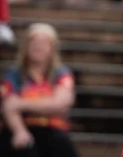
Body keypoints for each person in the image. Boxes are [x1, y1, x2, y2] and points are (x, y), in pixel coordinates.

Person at [0, 23, 78, 157]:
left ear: (52, 48)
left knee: (60, 145)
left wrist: (20, 103)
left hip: (53, 131)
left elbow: (60, 103)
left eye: (43, 42)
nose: (38, 46)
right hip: (20, 129)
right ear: (26, 46)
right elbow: (8, 107)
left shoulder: (61, 74)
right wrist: (20, 131)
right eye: (33, 41)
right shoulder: (13, 74)